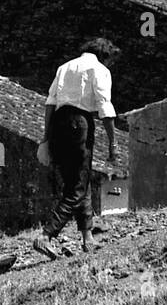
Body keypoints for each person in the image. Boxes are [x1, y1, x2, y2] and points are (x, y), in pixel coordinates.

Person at [34, 38, 119, 258]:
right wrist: (113, 143)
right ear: (105, 56)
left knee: (79, 179)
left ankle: (87, 237)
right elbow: (105, 108)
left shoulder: (64, 67)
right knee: (77, 187)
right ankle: (46, 235)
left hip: (58, 122)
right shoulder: (99, 69)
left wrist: (46, 137)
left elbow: (50, 104)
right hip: (79, 123)